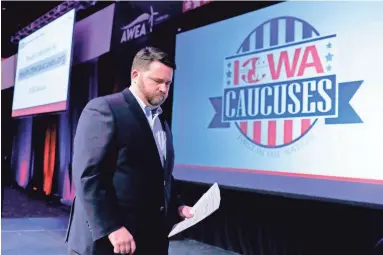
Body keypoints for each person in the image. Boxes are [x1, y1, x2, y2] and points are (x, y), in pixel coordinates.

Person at [65, 46, 193, 255]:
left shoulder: (160, 120)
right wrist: (111, 227)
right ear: (135, 75)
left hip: (148, 240)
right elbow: (89, 176)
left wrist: (177, 206)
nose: (164, 89)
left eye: (168, 83)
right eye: (157, 81)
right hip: (110, 243)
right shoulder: (104, 109)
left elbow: (159, 174)